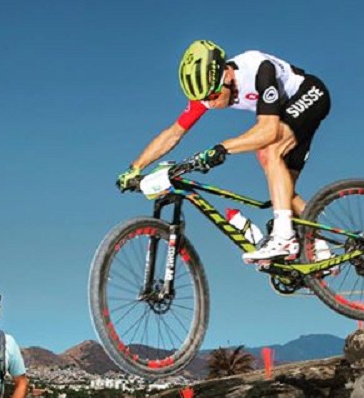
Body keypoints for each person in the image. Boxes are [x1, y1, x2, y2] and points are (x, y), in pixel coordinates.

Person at [116, 39, 332, 263]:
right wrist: (135, 168)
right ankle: (319, 244)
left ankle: (285, 237)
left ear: (227, 76)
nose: (211, 104)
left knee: (270, 151)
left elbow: (268, 130)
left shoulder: (260, 69)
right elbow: (173, 133)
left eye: (212, 97)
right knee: (281, 189)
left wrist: (222, 148)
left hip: (310, 94)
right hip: (286, 112)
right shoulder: (209, 91)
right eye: (204, 100)